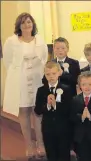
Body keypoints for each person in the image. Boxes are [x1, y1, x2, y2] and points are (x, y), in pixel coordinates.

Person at [2, 12, 48, 158]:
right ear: (19, 26)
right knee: (24, 113)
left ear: (33, 24)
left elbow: (45, 59)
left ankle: (40, 143)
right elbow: (7, 61)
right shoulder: (11, 41)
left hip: (37, 80)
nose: (27, 25)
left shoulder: (40, 41)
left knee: (38, 112)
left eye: (29, 22)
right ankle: (29, 145)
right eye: (23, 23)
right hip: (20, 80)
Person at [34, 61, 72, 161]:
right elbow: (37, 111)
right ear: (45, 75)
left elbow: (69, 109)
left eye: (54, 73)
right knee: (51, 155)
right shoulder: (41, 90)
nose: (51, 76)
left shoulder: (67, 89)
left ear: (59, 72)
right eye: (48, 74)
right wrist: (47, 105)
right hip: (48, 129)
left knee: (64, 155)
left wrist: (55, 105)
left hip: (64, 129)